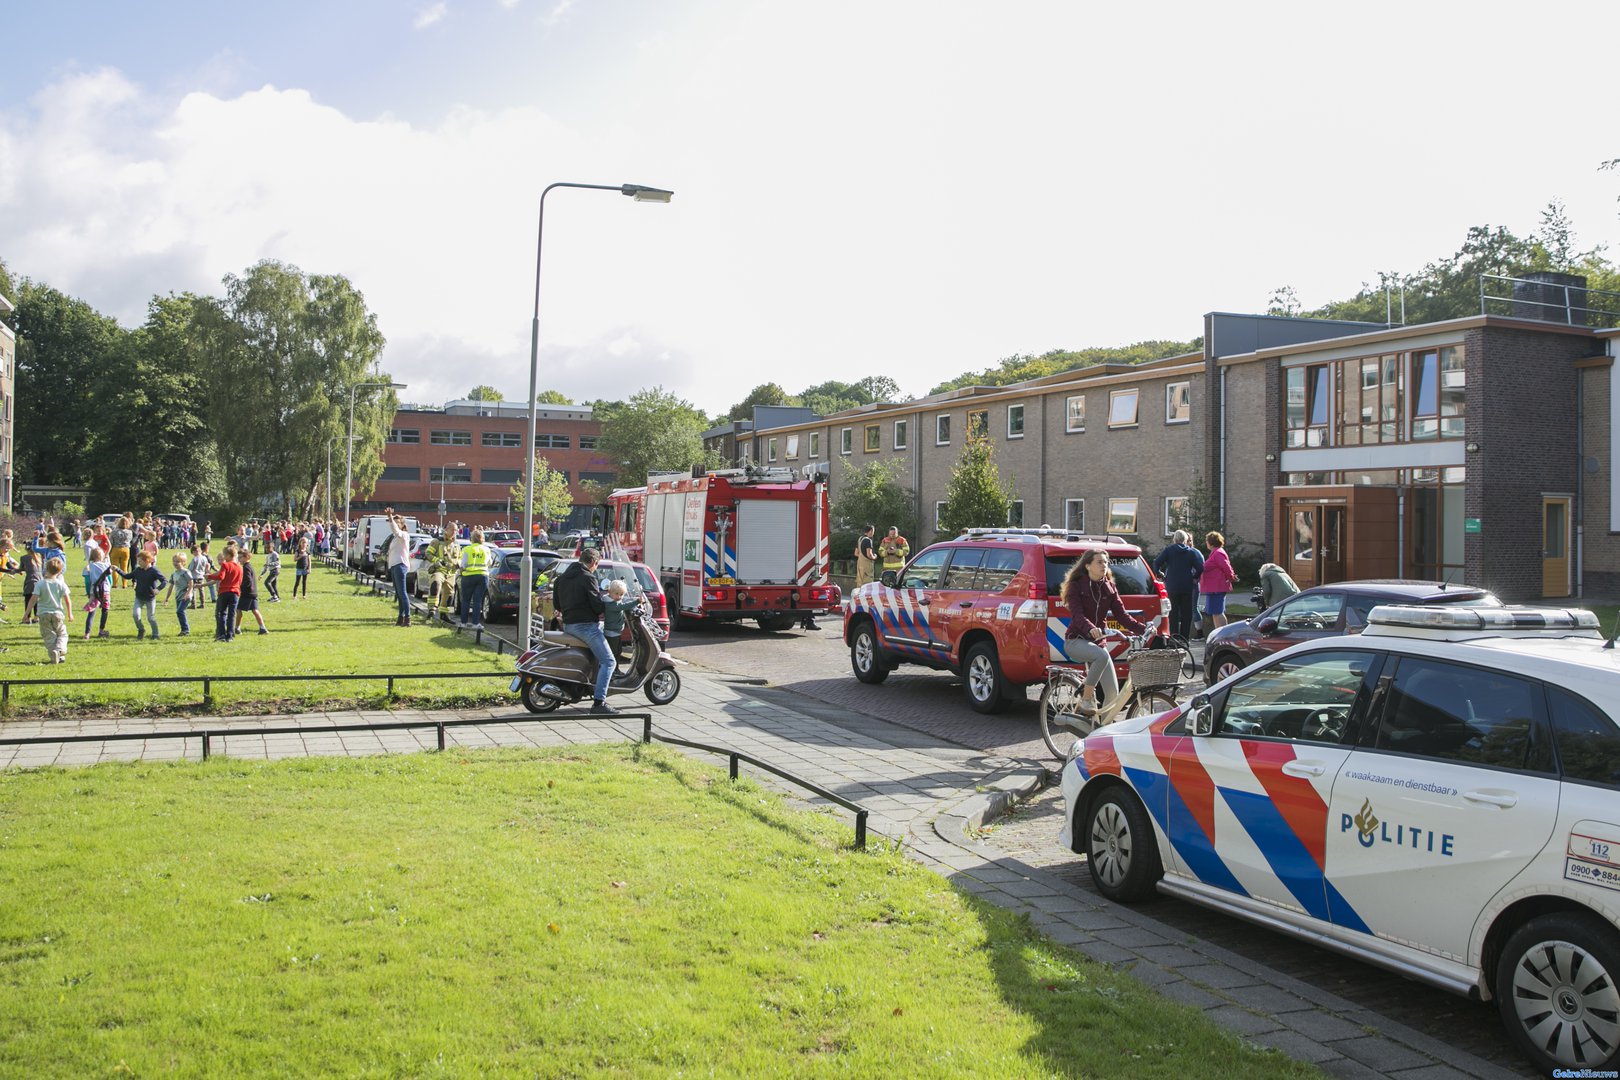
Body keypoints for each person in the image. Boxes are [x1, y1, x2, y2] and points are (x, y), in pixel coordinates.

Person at [1062, 548, 1148, 716]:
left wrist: (1145, 629)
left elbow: (1122, 616)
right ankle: (1086, 699)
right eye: (1099, 562)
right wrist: (1090, 628)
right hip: (1075, 641)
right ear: (1087, 566)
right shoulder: (1076, 586)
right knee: (1101, 656)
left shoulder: (1109, 587)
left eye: (1106, 562)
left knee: (1113, 695)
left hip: (1098, 643)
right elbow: (1077, 615)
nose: (1104, 565)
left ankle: (1101, 730)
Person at [554, 548, 616, 714]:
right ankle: (599, 702)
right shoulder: (588, 578)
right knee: (609, 661)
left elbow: (557, 605)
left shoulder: (562, 578)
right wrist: (607, 602)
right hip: (586, 627)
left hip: (569, 626)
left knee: (604, 632)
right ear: (594, 563)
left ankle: (595, 677)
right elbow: (597, 607)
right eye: (597, 565)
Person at [1153, 530, 1205, 642]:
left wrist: (1159, 574)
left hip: (1172, 585)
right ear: (1185, 540)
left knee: (1173, 614)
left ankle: (1175, 638)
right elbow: (1200, 567)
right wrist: (1195, 577)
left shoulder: (1169, 550)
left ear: (1174, 539)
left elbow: (1157, 562)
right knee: (1187, 614)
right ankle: (1185, 639)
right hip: (1187, 585)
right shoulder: (1191, 552)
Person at [116, 550, 168, 640]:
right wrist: (117, 569)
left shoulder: (153, 571)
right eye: (138, 561)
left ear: (147, 561)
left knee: (151, 618)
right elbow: (127, 576)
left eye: (140, 561)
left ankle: (155, 634)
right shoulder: (137, 570)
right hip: (139, 597)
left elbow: (164, 581)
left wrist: (158, 589)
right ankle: (141, 630)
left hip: (150, 598)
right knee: (136, 615)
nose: (138, 563)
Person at [33, 556, 73, 663]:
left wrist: (27, 614)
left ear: (46, 569)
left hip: (43, 614)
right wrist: (70, 614)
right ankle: (60, 650)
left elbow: (33, 600)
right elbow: (67, 600)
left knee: (48, 635)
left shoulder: (40, 583)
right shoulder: (61, 584)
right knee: (62, 633)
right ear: (60, 572)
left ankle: (54, 653)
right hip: (58, 613)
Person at [1199, 531, 1238, 634]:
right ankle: (1219, 633)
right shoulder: (1215, 553)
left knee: (1218, 612)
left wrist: (1232, 577)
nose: (1206, 543)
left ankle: (1224, 634)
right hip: (1213, 587)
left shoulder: (1218, 553)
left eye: (1207, 541)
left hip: (1217, 587)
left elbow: (1226, 567)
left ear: (1211, 542)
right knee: (1215, 612)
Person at [457, 527, 494, 629]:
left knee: (466, 600)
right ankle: (475, 623)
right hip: (482, 576)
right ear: (482, 538)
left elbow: (463, 564)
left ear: (472, 538)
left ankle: (463, 623)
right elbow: (490, 563)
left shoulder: (467, 549)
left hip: (468, 576)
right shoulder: (486, 549)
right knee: (478, 601)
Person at [208, 542, 243, 641]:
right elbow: (240, 580)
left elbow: (221, 576)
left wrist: (209, 576)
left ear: (228, 555)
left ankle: (221, 635)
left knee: (222, 613)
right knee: (232, 614)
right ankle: (230, 635)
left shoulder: (225, 565)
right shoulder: (239, 567)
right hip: (235, 592)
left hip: (224, 592)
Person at [601, 578, 641, 662]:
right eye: (616, 594)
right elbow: (622, 606)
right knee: (613, 652)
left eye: (621, 594)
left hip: (617, 631)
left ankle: (616, 670)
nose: (619, 596)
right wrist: (636, 601)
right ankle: (613, 671)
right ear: (609, 592)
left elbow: (622, 603)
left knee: (619, 651)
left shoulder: (614, 601)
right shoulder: (610, 604)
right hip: (611, 632)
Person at [383, 513, 411, 626]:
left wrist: (390, 518)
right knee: (399, 594)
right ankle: (401, 616)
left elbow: (396, 530)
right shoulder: (395, 537)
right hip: (394, 565)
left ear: (402, 524)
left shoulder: (404, 535)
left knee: (403, 593)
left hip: (401, 565)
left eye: (397, 522)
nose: (394, 524)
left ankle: (407, 617)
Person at [81, 546, 116, 639]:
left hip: (94, 591)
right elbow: (110, 580)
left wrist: (89, 593)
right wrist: (109, 588)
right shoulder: (106, 565)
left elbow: (87, 582)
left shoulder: (88, 567)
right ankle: (101, 630)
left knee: (91, 612)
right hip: (105, 591)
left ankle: (87, 633)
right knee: (105, 610)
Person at [425, 532, 459, 620]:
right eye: (452, 529)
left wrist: (458, 563)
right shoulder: (437, 542)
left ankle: (444, 614)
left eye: (455, 530)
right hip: (438, 570)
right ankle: (432, 609)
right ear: (446, 530)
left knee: (449, 595)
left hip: (451, 573)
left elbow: (460, 557)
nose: (454, 532)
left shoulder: (456, 544)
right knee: (435, 585)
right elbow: (428, 553)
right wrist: (437, 561)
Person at [164, 552, 199, 636]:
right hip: (178, 596)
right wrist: (167, 598)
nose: (175, 563)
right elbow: (171, 587)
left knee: (180, 611)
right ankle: (183, 630)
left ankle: (186, 630)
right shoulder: (174, 574)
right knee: (180, 613)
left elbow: (191, 584)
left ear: (183, 562)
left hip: (186, 596)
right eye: (174, 561)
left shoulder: (186, 572)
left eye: (177, 561)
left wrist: (188, 593)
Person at [235, 549, 269, 635]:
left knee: (238, 609)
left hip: (247, 593)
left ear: (247, 557)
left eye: (240, 557)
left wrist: (240, 587)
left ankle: (237, 628)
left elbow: (248, 581)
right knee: (255, 610)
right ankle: (263, 628)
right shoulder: (250, 566)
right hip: (253, 592)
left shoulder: (246, 567)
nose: (239, 559)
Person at [108, 514, 134, 589]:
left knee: (115, 568)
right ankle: (124, 584)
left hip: (116, 549)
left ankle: (115, 584)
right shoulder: (129, 532)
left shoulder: (114, 532)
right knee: (124, 567)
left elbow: (111, 542)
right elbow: (130, 540)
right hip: (125, 549)